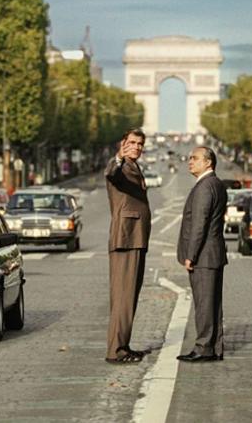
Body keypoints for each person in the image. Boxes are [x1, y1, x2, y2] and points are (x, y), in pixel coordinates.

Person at [104, 128, 152, 364]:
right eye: (132, 142)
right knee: (123, 296)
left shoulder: (134, 166)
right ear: (122, 144)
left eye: (140, 144)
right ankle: (116, 350)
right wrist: (118, 158)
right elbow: (111, 174)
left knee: (128, 296)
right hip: (126, 237)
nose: (136, 147)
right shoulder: (120, 166)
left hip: (135, 237)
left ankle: (123, 345)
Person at [176, 146, 228, 363]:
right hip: (213, 253)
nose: (190, 161)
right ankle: (214, 347)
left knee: (204, 304)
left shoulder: (204, 187)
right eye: (190, 158)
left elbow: (199, 224)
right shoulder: (217, 183)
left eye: (195, 158)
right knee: (213, 304)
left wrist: (191, 255)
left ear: (208, 162)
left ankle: (203, 348)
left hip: (204, 255)